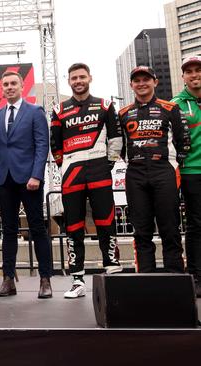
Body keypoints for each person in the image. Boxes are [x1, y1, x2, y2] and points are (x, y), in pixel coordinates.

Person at [50, 63, 123, 298]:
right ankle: (77, 279)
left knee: (106, 221)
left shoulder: (104, 105)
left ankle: (112, 270)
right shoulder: (59, 110)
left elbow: (116, 137)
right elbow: (55, 145)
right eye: (74, 78)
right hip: (72, 174)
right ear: (68, 81)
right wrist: (67, 165)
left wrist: (108, 163)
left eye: (82, 76)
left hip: (100, 171)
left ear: (90, 78)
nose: (78, 81)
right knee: (73, 226)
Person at [118, 66, 190, 274]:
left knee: (170, 227)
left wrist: (174, 162)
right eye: (137, 80)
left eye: (146, 79)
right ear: (131, 84)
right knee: (141, 230)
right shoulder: (123, 113)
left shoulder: (170, 108)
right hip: (135, 174)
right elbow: (120, 147)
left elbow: (183, 141)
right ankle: (146, 278)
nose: (141, 83)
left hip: (164, 171)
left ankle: (175, 276)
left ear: (155, 82)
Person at [0, 71, 52, 298]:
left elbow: (41, 145)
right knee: (8, 231)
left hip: (29, 180)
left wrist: (36, 175)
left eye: (13, 83)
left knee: (37, 229)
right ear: (2, 88)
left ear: (22, 86)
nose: (9, 87)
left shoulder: (35, 112)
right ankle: (8, 280)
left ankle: (45, 280)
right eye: (5, 84)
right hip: (4, 180)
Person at [171, 55, 201, 297]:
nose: (194, 75)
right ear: (183, 77)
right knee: (196, 226)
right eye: (189, 71)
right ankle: (196, 276)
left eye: (198, 70)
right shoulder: (176, 104)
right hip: (191, 172)